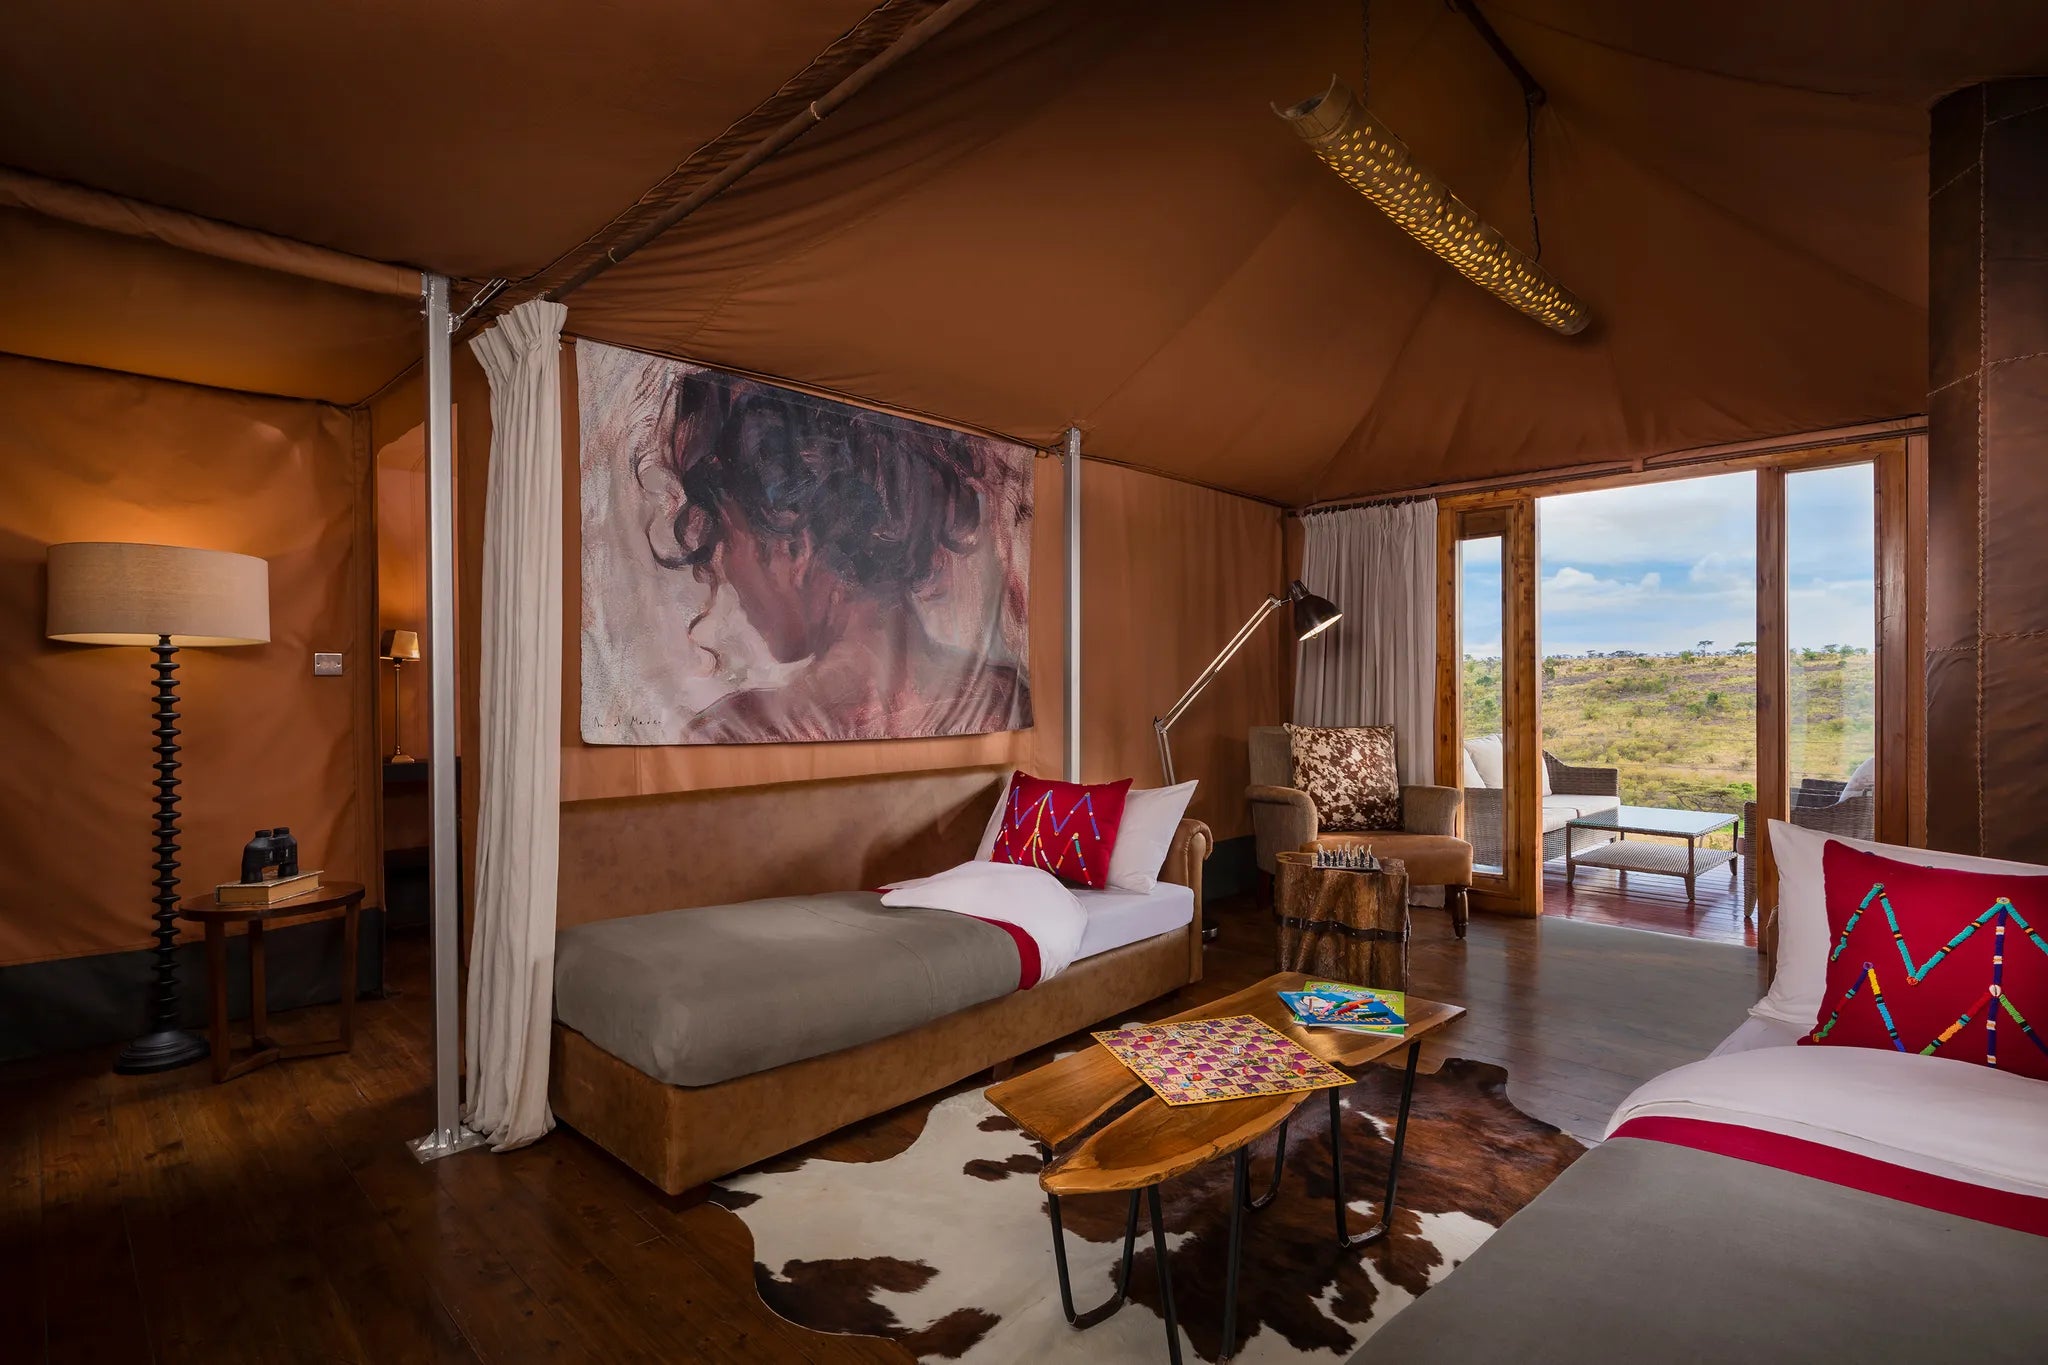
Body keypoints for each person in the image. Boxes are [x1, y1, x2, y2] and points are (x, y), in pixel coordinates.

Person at [648, 370, 1031, 742]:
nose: (723, 569)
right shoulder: (1008, 702)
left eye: (727, 540)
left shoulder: (732, 735)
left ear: (795, 547)